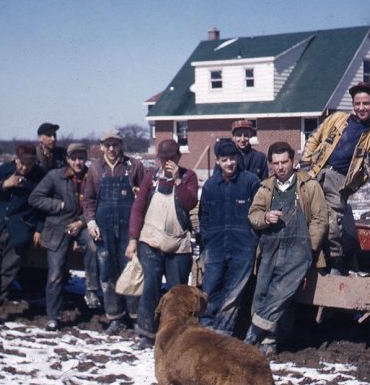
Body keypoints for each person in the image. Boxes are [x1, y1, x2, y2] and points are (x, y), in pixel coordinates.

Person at [245, 142, 327, 357]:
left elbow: (320, 219)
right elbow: (253, 215)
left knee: (281, 294)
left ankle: (258, 337)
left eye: (285, 162)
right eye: (276, 163)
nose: (280, 167)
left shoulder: (309, 185)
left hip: (299, 248)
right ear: (271, 164)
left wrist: (309, 246)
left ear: (294, 161)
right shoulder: (266, 188)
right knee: (262, 294)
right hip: (271, 246)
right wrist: (265, 217)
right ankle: (264, 339)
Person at [300, 81, 370, 274]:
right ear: (353, 104)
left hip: (339, 180)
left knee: (332, 225)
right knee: (304, 215)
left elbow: (366, 172)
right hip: (315, 171)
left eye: (366, 104)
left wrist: (347, 188)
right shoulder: (337, 118)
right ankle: (307, 263)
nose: (361, 108)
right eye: (357, 103)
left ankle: (336, 263)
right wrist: (305, 164)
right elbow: (315, 138)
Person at [125, 140, 199, 349]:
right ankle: (146, 334)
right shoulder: (150, 178)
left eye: (172, 158)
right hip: (151, 243)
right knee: (150, 288)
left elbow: (190, 202)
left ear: (178, 158)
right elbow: (138, 209)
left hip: (178, 246)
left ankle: (177, 335)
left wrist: (177, 180)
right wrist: (133, 239)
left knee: (178, 293)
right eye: (164, 159)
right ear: (158, 159)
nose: (168, 162)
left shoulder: (188, 177)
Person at [29, 143, 102, 331]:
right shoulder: (55, 176)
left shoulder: (93, 176)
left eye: (81, 157)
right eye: (74, 158)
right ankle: (53, 316)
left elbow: (99, 203)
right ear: (67, 160)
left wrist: (81, 223)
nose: (78, 162)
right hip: (58, 228)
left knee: (93, 246)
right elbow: (35, 198)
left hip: (82, 223)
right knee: (55, 273)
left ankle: (91, 291)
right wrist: (58, 206)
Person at [84, 129, 145, 334]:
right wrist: (91, 222)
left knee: (132, 272)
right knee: (108, 274)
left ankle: (136, 317)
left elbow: (145, 195)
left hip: (128, 228)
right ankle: (115, 317)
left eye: (115, 145)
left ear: (121, 145)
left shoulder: (134, 166)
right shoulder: (94, 169)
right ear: (101, 146)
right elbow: (90, 200)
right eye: (107, 145)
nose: (111, 149)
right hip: (104, 229)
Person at [198, 139, 260, 336]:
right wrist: (207, 241)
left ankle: (224, 332)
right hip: (215, 246)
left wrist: (252, 240)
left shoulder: (250, 181)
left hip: (243, 246)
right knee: (211, 288)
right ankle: (207, 329)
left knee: (233, 292)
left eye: (232, 159)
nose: (230, 163)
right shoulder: (210, 186)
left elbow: (259, 211)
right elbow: (203, 217)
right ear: (217, 161)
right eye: (225, 160)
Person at [0, 144, 45, 314]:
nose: (25, 167)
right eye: (22, 163)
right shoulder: (5, 170)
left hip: (21, 230)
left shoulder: (40, 176)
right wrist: (5, 184)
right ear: (16, 159)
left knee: (8, 270)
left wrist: (39, 229)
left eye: (29, 164)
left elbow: (44, 206)